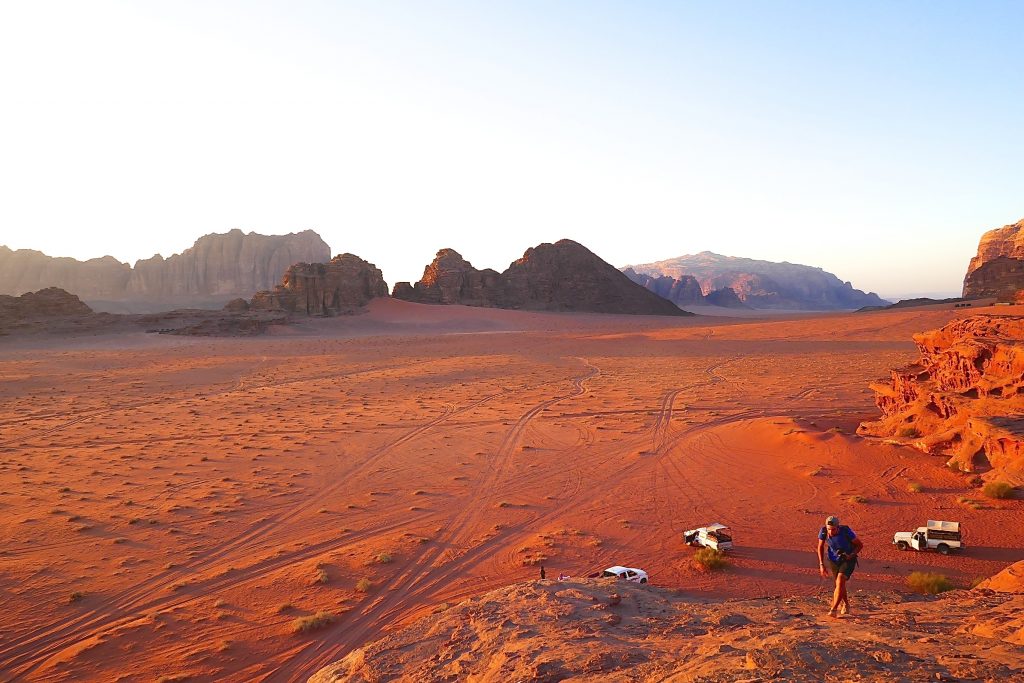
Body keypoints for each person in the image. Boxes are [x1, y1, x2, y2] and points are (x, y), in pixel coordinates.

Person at [817, 515, 863, 618]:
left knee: (840, 580)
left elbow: (860, 545)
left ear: (838, 527)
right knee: (839, 584)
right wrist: (821, 564)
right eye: (829, 529)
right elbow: (820, 546)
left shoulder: (846, 532)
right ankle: (846, 604)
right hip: (834, 560)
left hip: (848, 559)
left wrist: (850, 555)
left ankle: (833, 609)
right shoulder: (823, 532)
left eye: (833, 529)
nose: (831, 532)